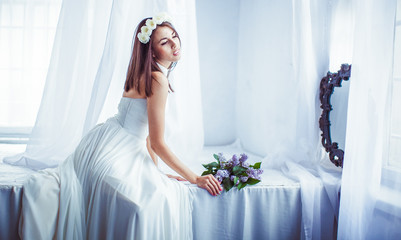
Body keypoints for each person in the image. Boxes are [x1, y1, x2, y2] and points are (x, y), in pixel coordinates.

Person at [19, 13, 222, 240]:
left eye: (174, 36)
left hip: (104, 139)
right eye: (165, 42)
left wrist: (156, 172)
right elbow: (156, 142)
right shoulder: (158, 79)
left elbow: (146, 139)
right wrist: (195, 178)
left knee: (154, 187)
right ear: (152, 51)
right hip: (116, 149)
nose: (175, 44)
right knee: (149, 202)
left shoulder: (142, 72)